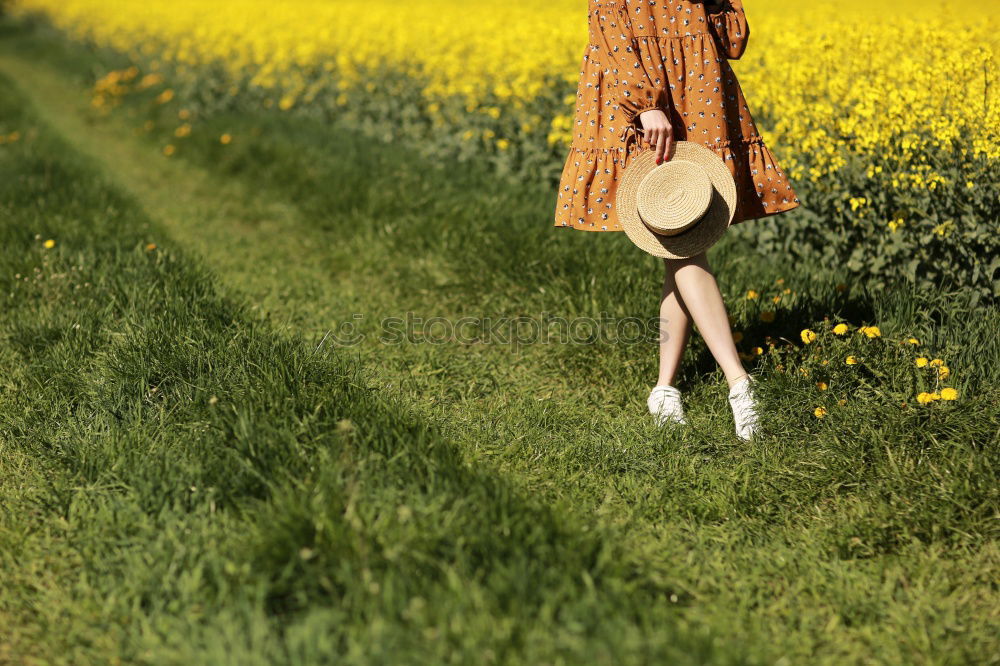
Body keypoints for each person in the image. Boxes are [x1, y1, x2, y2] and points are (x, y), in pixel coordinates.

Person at [553, 0, 801, 440]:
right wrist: (643, 105)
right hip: (643, 105)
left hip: (697, 92)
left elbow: (733, 39)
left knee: (681, 242)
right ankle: (739, 383)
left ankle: (665, 388)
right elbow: (608, 29)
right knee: (684, 241)